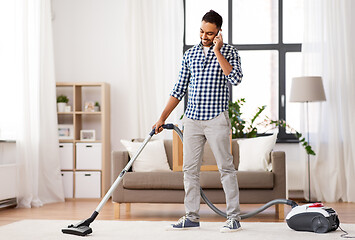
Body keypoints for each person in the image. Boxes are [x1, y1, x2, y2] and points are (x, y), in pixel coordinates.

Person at [153, 10, 243, 233]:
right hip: (192, 119)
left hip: (217, 118)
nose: (204, 36)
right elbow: (178, 89)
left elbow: (236, 79)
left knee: (226, 168)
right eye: (202, 31)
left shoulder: (229, 52)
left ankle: (234, 218)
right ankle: (192, 216)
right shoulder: (190, 55)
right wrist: (162, 118)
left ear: (218, 33)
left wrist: (218, 52)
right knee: (190, 170)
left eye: (209, 33)